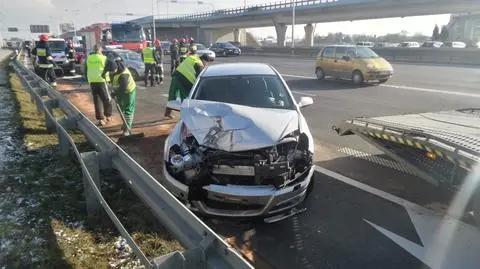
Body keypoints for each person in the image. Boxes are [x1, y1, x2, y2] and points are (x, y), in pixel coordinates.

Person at [164, 53, 213, 118]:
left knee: (172, 96)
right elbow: (200, 78)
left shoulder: (192, 57)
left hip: (176, 76)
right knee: (186, 99)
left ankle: (167, 113)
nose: (206, 64)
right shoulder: (199, 65)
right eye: (207, 62)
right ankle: (186, 115)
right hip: (184, 81)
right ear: (204, 60)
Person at [104, 57, 137, 136]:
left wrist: (115, 93)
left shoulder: (123, 75)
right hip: (119, 90)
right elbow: (106, 75)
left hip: (129, 91)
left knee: (128, 110)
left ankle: (127, 129)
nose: (111, 73)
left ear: (116, 68)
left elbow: (123, 88)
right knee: (121, 109)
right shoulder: (111, 68)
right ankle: (125, 124)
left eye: (112, 71)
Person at [84, 44, 112, 126]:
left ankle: (100, 119)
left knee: (97, 100)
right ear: (100, 49)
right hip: (102, 80)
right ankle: (108, 115)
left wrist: (87, 78)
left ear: (93, 49)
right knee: (107, 99)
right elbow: (111, 66)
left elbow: (86, 69)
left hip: (92, 81)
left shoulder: (89, 58)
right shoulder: (103, 58)